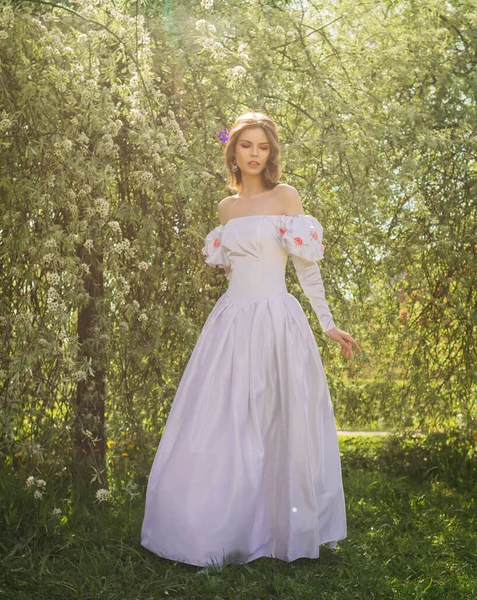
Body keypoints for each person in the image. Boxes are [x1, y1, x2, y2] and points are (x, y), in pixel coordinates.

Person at [140, 112, 361, 569]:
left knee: (279, 418)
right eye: (246, 146)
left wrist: (328, 324)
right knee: (226, 418)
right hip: (232, 323)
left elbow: (306, 268)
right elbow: (234, 270)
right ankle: (223, 526)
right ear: (234, 153)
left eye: (262, 146)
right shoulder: (226, 210)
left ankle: (283, 528)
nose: (255, 153)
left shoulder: (286, 197)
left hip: (278, 319)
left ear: (270, 152)